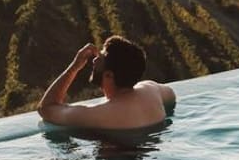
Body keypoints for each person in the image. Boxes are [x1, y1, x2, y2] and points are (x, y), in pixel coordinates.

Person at [37, 35, 175, 131]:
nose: (94, 60)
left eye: (100, 58)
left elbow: (46, 108)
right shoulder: (151, 90)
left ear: (109, 75)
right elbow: (171, 95)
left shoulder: (99, 114)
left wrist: (74, 67)